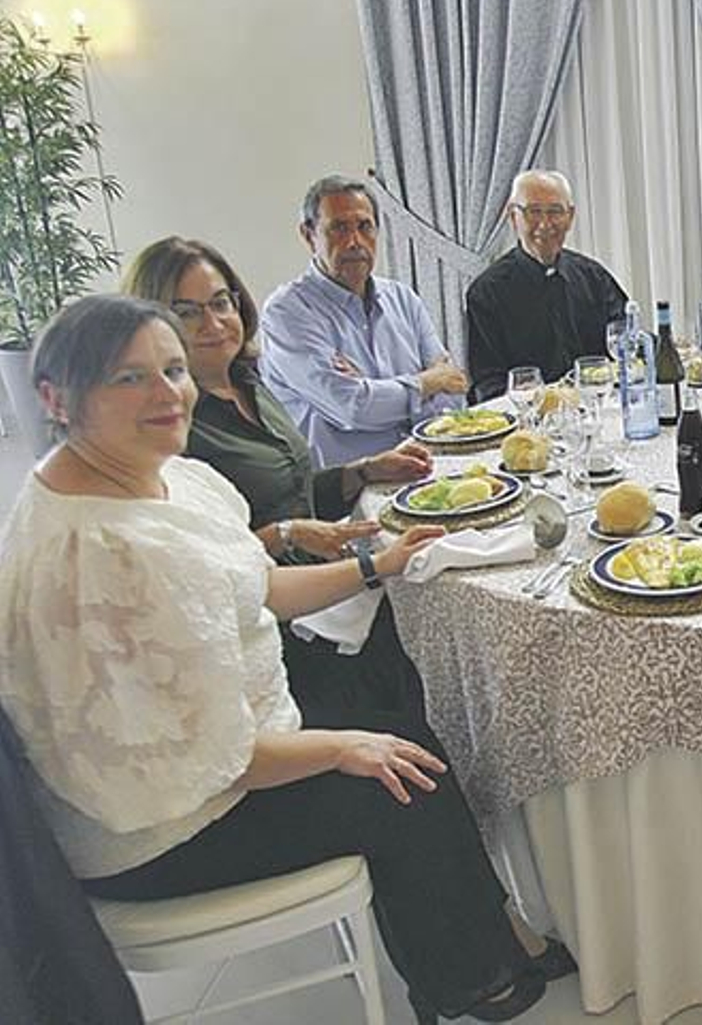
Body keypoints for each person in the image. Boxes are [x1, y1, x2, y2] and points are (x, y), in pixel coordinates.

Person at [0, 295, 572, 1021]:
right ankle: (475, 978)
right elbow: (218, 758)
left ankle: (485, 938)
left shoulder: (142, 474)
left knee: (405, 726)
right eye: (128, 379)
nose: (167, 393)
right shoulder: (106, 555)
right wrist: (340, 746)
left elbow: (257, 583)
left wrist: (378, 564)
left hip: (224, 738)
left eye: (172, 370)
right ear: (55, 397)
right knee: (402, 778)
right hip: (161, 826)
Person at [123, 236, 437, 725]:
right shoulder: (171, 426)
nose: (213, 323)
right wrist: (285, 535)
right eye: (186, 312)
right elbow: (192, 571)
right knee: (424, 637)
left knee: (433, 601)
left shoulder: (249, 382)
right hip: (280, 623)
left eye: (221, 303)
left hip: (326, 580)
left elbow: (294, 487)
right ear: (152, 322)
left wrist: (365, 470)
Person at [259, 174, 469, 466]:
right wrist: (425, 383)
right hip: (348, 491)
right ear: (309, 236)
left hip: (427, 463)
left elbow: (454, 391)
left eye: (364, 227)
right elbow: (352, 408)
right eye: (339, 228)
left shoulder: (402, 298)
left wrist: (380, 395)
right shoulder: (287, 313)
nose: (354, 241)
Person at [465, 169, 629, 399]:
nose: (545, 224)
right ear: (513, 217)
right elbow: (488, 382)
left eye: (555, 211)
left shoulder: (594, 277)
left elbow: (626, 337)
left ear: (570, 217)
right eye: (533, 212)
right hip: (530, 422)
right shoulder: (486, 292)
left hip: (599, 410)